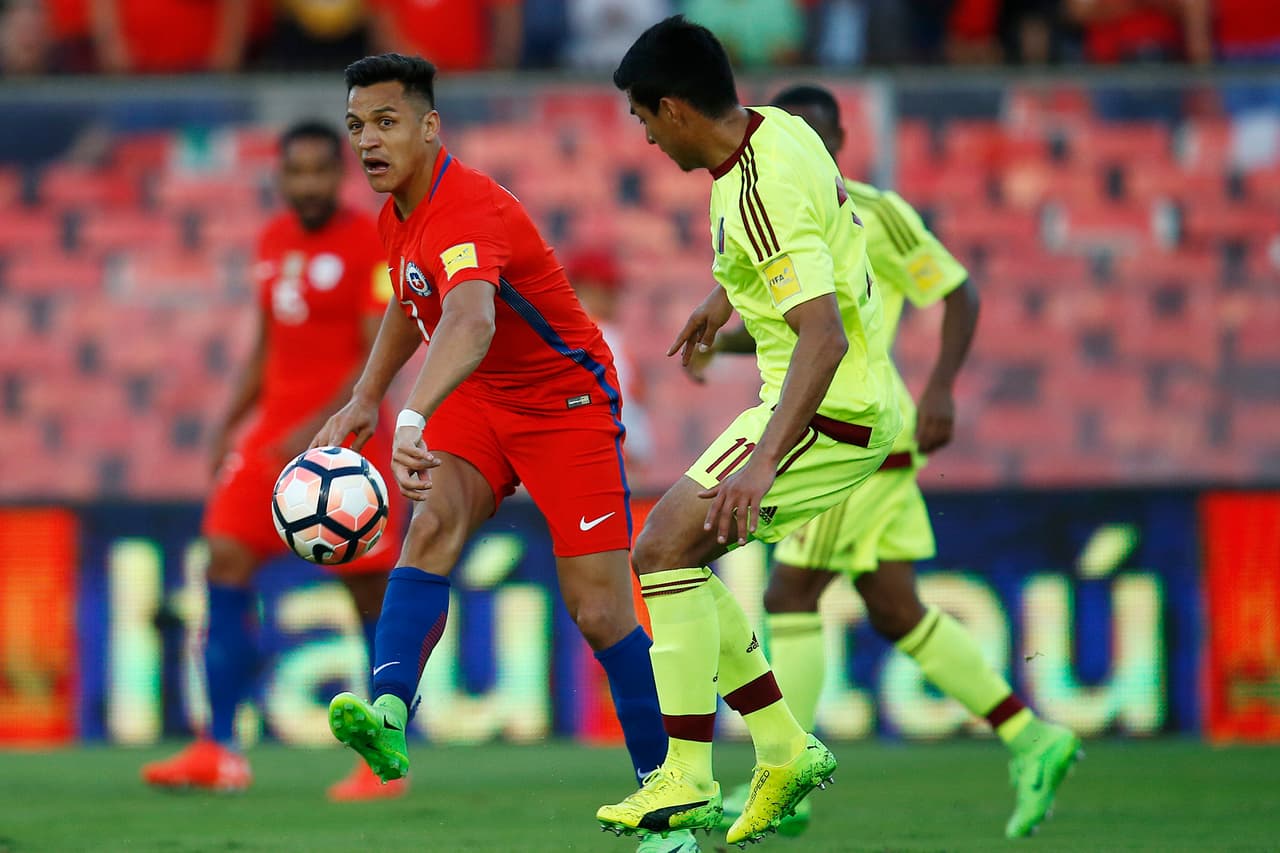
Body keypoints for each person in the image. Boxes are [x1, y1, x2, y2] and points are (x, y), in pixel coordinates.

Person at [314, 54, 699, 853]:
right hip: (486, 400)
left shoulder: (468, 209)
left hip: (567, 403)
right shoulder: (399, 218)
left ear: (429, 127)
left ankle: (670, 801)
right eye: (357, 126)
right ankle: (389, 715)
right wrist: (364, 397)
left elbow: (472, 319)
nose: (369, 142)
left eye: (386, 123)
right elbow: (409, 304)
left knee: (600, 610)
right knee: (429, 529)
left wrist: (413, 416)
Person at [692, 84, 1082, 841]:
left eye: (820, 133)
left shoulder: (872, 210)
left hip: (853, 431)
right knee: (895, 606)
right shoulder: (780, 208)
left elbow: (957, 292)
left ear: (839, 138)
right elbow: (793, 319)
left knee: (793, 593)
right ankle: (1032, 737)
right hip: (858, 425)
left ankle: (787, 783)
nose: (807, 145)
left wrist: (940, 386)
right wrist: (722, 340)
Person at [600, 16, 904, 845]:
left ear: (675, 108)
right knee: (676, 555)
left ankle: (689, 777)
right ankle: (781, 747)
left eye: (644, 119)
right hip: (831, 399)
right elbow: (816, 246)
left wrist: (764, 460)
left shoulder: (757, 185)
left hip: (824, 409)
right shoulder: (782, 132)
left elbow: (824, 330)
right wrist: (725, 292)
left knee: (659, 548)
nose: (648, 138)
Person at [141, 120, 407, 803]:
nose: (310, 182)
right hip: (269, 447)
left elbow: (370, 350)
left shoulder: (370, 240)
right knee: (223, 557)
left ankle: (384, 757)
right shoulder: (272, 240)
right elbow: (265, 345)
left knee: (370, 596)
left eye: (323, 170)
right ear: (282, 176)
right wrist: (233, 418)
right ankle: (220, 747)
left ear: (339, 174)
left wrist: (313, 427)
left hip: (345, 442)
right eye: (298, 171)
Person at [565, 248, 655, 473]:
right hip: (609, 461)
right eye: (606, 290)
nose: (614, 299)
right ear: (582, 288)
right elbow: (618, 404)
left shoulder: (558, 333)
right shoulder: (599, 336)